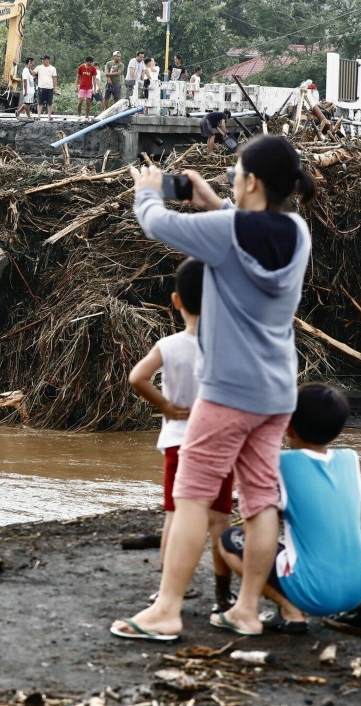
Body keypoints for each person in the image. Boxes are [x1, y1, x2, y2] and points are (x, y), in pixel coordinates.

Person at [112, 135, 316, 642]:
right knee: (260, 499)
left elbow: (157, 223)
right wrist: (215, 199)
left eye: (234, 174)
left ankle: (166, 610)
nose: (230, 180)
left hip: (226, 393)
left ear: (250, 181)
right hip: (276, 393)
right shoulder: (298, 230)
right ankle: (247, 610)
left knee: (191, 498)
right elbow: (251, 231)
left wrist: (147, 189)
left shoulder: (226, 232)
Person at [217, 384, 361, 634]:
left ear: (287, 427)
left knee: (229, 540)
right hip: (360, 582)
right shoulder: (350, 459)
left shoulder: (281, 463)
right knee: (349, 540)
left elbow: (265, 514)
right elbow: (354, 514)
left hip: (314, 593)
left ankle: (291, 611)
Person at [124, 258, 235, 622]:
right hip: (219, 441)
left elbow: (137, 377)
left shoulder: (168, 345)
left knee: (175, 514)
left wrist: (167, 407)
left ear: (176, 301)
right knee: (220, 519)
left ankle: (171, 588)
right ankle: (223, 596)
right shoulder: (226, 345)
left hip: (178, 442)